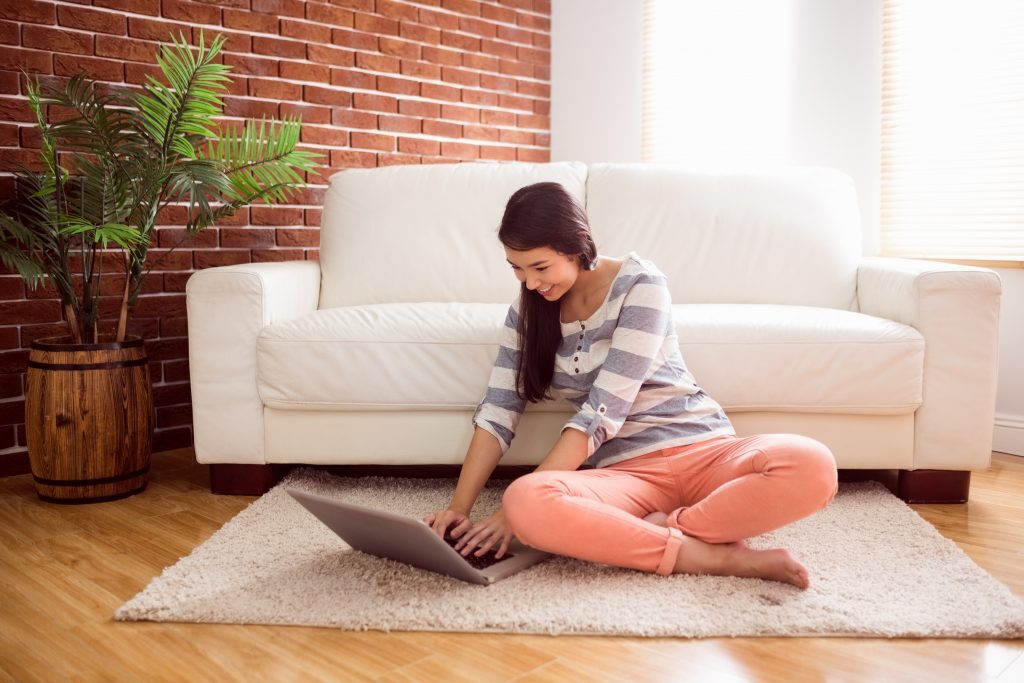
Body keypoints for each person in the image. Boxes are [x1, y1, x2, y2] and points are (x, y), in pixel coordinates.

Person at [424, 181, 838, 589]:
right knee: (524, 501)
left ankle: (668, 531)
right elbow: (498, 410)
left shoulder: (641, 284)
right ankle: (712, 554)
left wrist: (509, 523)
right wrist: (460, 508)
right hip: (628, 476)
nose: (530, 283)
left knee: (812, 463)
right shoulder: (528, 312)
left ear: (577, 246)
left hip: (705, 452)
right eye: (517, 268)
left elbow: (602, 411)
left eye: (540, 267)